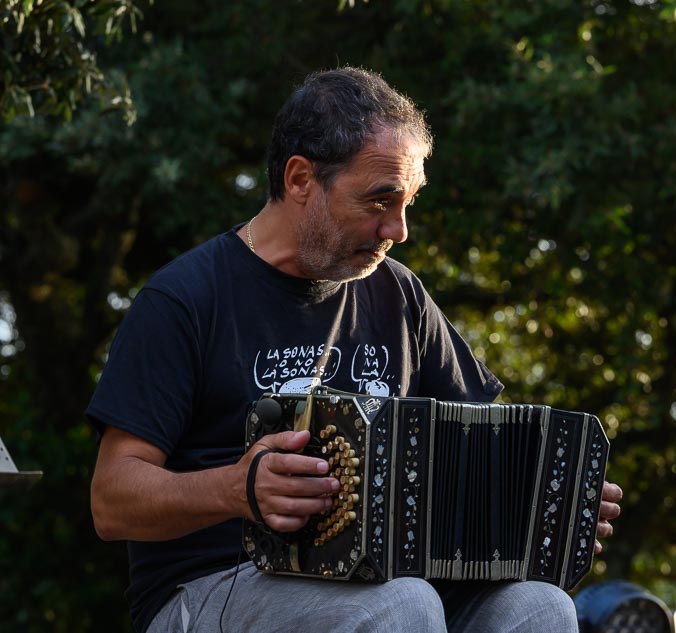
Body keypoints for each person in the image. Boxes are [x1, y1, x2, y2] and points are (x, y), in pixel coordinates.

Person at [88, 67, 623, 633]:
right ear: (300, 180)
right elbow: (111, 500)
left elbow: (482, 455)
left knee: (541, 606)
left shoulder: (401, 296)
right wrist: (237, 488)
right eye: (379, 200)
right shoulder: (187, 297)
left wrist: (551, 503)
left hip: (387, 579)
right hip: (211, 586)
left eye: (409, 202)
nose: (398, 229)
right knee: (401, 604)